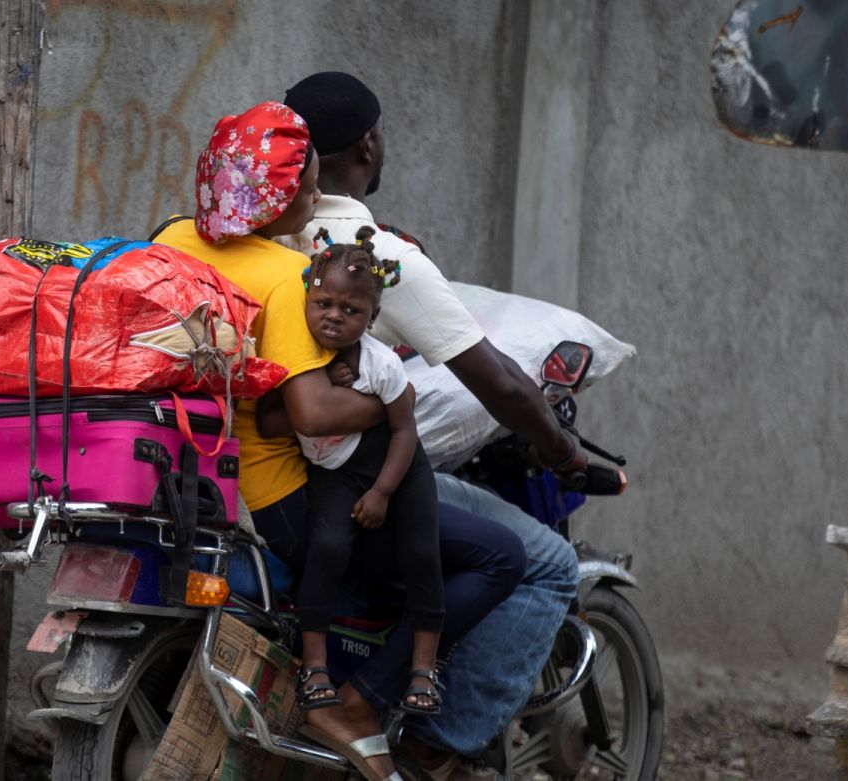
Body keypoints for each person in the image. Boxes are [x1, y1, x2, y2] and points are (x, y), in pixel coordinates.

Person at [154, 100, 526, 781]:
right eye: (308, 185)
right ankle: (357, 704)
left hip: (197, 470)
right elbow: (314, 414)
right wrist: (395, 405)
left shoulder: (171, 237)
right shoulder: (284, 277)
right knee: (503, 555)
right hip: (284, 499)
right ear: (281, 196)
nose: (318, 197)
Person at [283, 71, 585, 776]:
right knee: (544, 564)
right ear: (368, 143)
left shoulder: (253, 229)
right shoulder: (374, 253)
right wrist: (564, 451)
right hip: (342, 471)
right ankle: (429, 744)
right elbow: (504, 384)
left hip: (259, 464)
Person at [257, 226, 443, 717]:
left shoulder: (382, 366)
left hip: (396, 466)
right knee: (329, 548)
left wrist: (383, 492)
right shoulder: (300, 361)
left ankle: (423, 668)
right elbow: (271, 420)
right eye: (324, 305)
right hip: (335, 472)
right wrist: (323, 396)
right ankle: (314, 667)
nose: (334, 317)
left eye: (351, 310)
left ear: (373, 317)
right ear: (306, 300)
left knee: (422, 552)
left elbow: (405, 431)